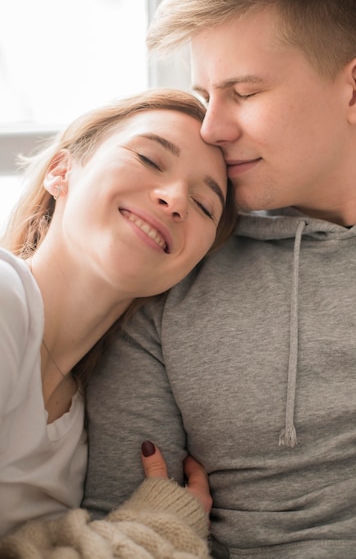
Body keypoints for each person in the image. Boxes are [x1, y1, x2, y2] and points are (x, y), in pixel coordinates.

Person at [82, 0, 356, 557]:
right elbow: (122, 525)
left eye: (244, 91)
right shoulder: (176, 257)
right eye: (208, 95)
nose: (212, 127)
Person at [0, 88, 236, 552]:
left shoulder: (87, 424)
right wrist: (157, 531)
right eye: (149, 159)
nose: (174, 200)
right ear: (60, 171)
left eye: (205, 206)